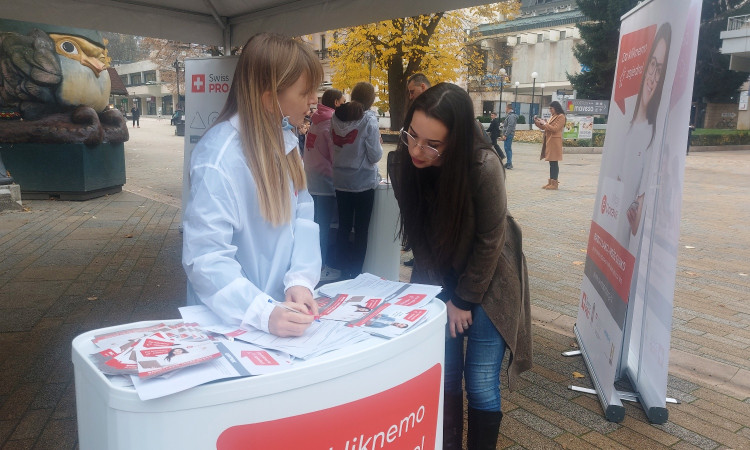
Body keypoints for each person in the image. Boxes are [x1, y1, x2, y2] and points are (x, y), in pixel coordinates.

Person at [389, 83, 532, 449]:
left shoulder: (482, 165)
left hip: (489, 277)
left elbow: (490, 241)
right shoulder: (402, 162)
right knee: (445, 375)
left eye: (433, 144)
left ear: (455, 141)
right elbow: (419, 239)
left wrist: (464, 300)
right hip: (437, 274)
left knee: (481, 381)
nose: (418, 150)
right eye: (412, 136)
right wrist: (444, 297)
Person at [182, 33, 323, 338]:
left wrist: (300, 279)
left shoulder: (284, 140)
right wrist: (261, 311)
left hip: (276, 314)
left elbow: (303, 212)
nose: (314, 100)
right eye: (306, 91)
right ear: (270, 99)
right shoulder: (219, 158)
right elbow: (206, 258)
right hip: (230, 322)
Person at [615, 23, 671, 252]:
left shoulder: (652, 136)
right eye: (653, 65)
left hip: (623, 250)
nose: (653, 76)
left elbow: (637, 224)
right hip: (608, 238)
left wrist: (635, 214)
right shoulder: (625, 124)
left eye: (661, 70)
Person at [331, 82, 383, 279]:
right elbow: (375, 156)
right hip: (363, 181)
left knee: (343, 226)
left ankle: (341, 269)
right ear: (370, 99)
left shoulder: (336, 116)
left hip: (340, 180)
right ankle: (355, 273)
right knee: (361, 230)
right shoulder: (369, 120)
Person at [304, 88, 345, 282]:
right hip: (326, 182)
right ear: (336, 103)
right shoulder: (329, 124)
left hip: (312, 180)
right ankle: (321, 266)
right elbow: (334, 155)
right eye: (343, 102)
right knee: (325, 227)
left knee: (314, 226)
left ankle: (314, 264)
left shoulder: (315, 121)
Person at [535, 101, 566, 190]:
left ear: (556, 108)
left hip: (555, 142)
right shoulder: (553, 116)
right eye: (549, 109)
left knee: (554, 162)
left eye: (551, 109)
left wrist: (545, 123)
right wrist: (538, 123)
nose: (550, 111)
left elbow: (555, 129)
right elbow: (546, 127)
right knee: (551, 163)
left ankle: (554, 183)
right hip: (549, 140)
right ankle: (551, 182)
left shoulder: (561, 116)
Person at [501, 103, 517, 169]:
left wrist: (505, 135)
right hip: (508, 134)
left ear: (509, 108)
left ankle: (509, 164)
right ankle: (508, 163)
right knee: (507, 148)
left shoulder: (511, 116)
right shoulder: (509, 115)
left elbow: (510, 126)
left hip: (509, 135)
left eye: (506, 108)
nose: (505, 109)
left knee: (508, 149)